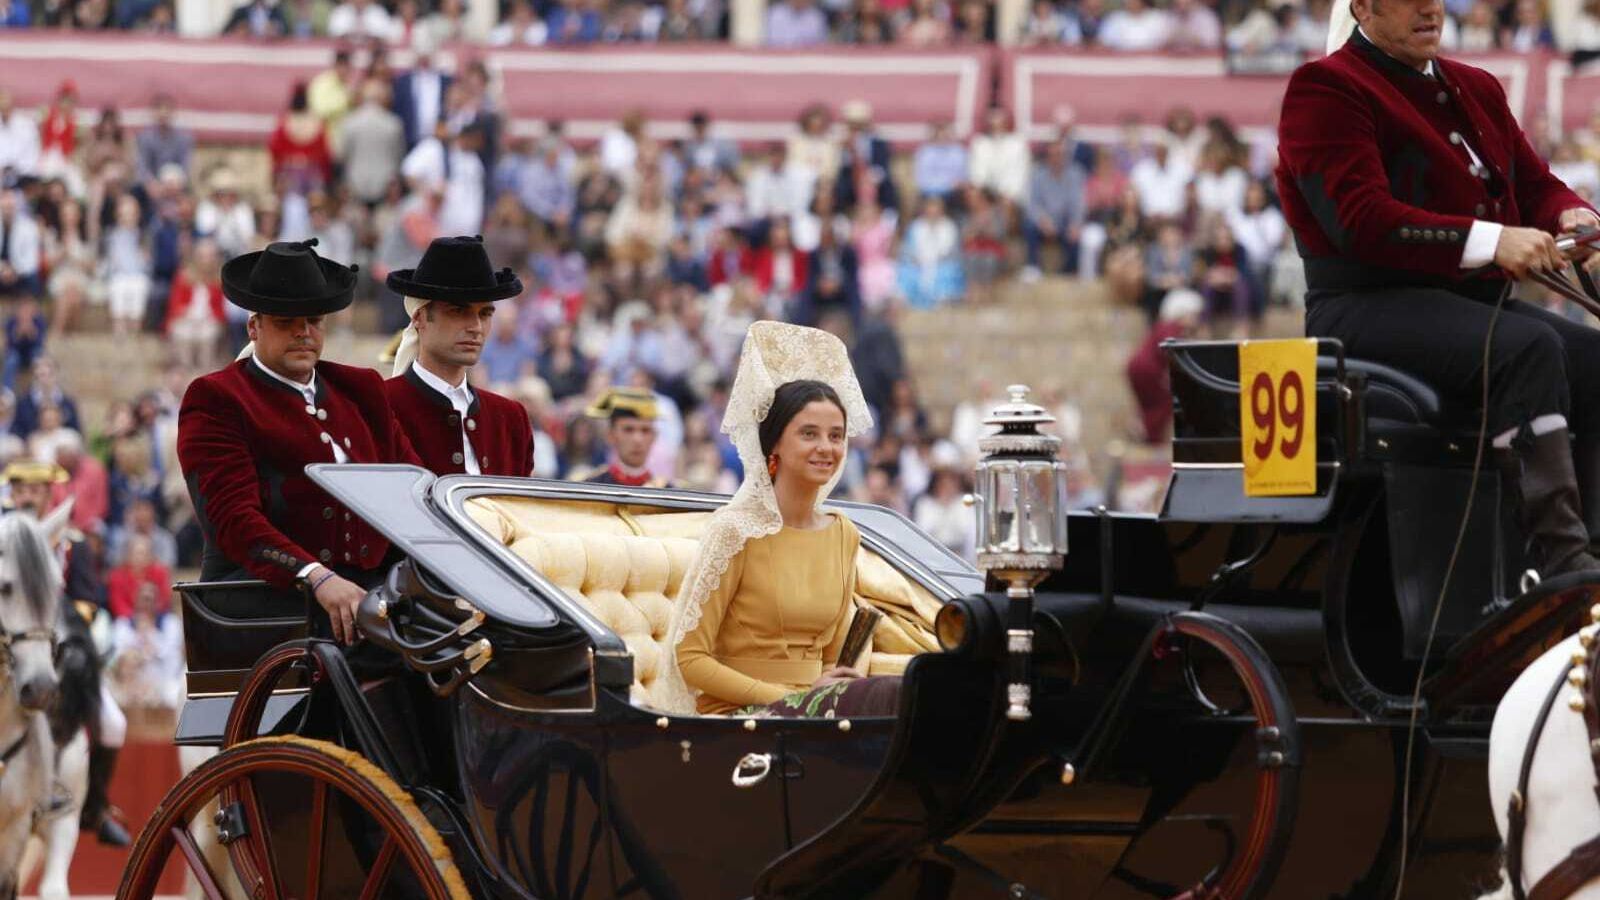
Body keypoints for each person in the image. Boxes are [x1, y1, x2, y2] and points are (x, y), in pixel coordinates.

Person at [1279, 0, 1600, 577]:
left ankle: (1594, 542)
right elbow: (1361, 219)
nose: (1430, 9)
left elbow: (1535, 184)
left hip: (1470, 304)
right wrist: (1492, 241)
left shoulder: (1475, 86)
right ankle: (1561, 562)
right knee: (1529, 350)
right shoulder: (1326, 87)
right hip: (1365, 307)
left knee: (1594, 357)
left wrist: (1572, 216)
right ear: (1364, 9)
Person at [177, 239, 421, 647]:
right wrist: (316, 576)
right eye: (284, 321)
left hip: (374, 594)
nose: (302, 332)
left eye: (313, 320)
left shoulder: (361, 390)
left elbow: (413, 488)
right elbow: (234, 520)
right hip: (267, 596)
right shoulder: (217, 398)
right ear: (254, 327)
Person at [658, 321, 899, 718]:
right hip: (740, 717)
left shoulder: (844, 533)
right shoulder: (735, 530)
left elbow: (833, 657)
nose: (827, 447)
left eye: (836, 436)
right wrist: (786, 699)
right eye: (809, 434)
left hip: (812, 715)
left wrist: (834, 689)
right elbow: (690, 657)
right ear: (775, 446)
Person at [4, 460, 130, 847]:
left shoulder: (71, 542)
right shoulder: (4, 538)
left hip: (58, 647)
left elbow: (90, 598)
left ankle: (94, 806)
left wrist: (62, 629)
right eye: (21, 489)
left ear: (48, 495)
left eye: (36, 490)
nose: (28, 497)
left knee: (113, 723)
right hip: (9, 648)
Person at [384, 236, 533, 477]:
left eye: (485, 313)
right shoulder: (380, 408)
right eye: (458, 311)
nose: (475, 326)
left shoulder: (511, 418)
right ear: (419, 318)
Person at [581, 386, 668, 486]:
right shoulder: (590, 486)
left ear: (654, 437)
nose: (638, 439)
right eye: (628, 430)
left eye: (645, 430)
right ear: (610, 435)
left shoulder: (669, 492)